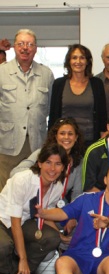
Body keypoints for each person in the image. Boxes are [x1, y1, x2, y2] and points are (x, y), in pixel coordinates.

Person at [0, 143, 68, 274]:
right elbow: (15, 223)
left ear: (63, 168)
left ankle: (21, 271)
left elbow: (44, 215)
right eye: (48, 162)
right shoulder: (22, 180)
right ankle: (8, 269)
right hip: (4, 219)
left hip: (25, 221)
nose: (52, 169)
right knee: (4, 247)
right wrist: (23, 258)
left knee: (52, 238)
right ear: (39, 163)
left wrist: (61, 237)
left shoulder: (57, 186)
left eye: (58, 164)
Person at [0, 29, 54, 191]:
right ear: (15, 47)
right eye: (21, 44)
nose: (25, 48)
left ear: (36, 48)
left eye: (30, 44)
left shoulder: (46, 74)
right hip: (8, 143)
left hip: (36, 143)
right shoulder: (2, 72)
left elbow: (50, 107)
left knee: (33, 188)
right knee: (5, 189)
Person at [11, 117, 85, 204]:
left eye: (70, 134)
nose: (66, 137)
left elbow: (77, 193)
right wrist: (41, 174)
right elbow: (14, 173)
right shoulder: (42, 152)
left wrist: (73, 212)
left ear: (76, 137)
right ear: (56, 136)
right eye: (62, 133)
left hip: (60, 206)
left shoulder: (78, 161)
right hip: (32, 201)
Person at [49, 44, 107, 147]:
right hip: (65, 141)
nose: (78, 62)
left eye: (82, 58)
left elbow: (102, 115)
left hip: (90, 141)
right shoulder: (59, 84)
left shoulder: (97, 84)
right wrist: (51, 142)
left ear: (87, 61)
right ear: (69, 61)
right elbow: (53, 116)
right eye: (74, 58)